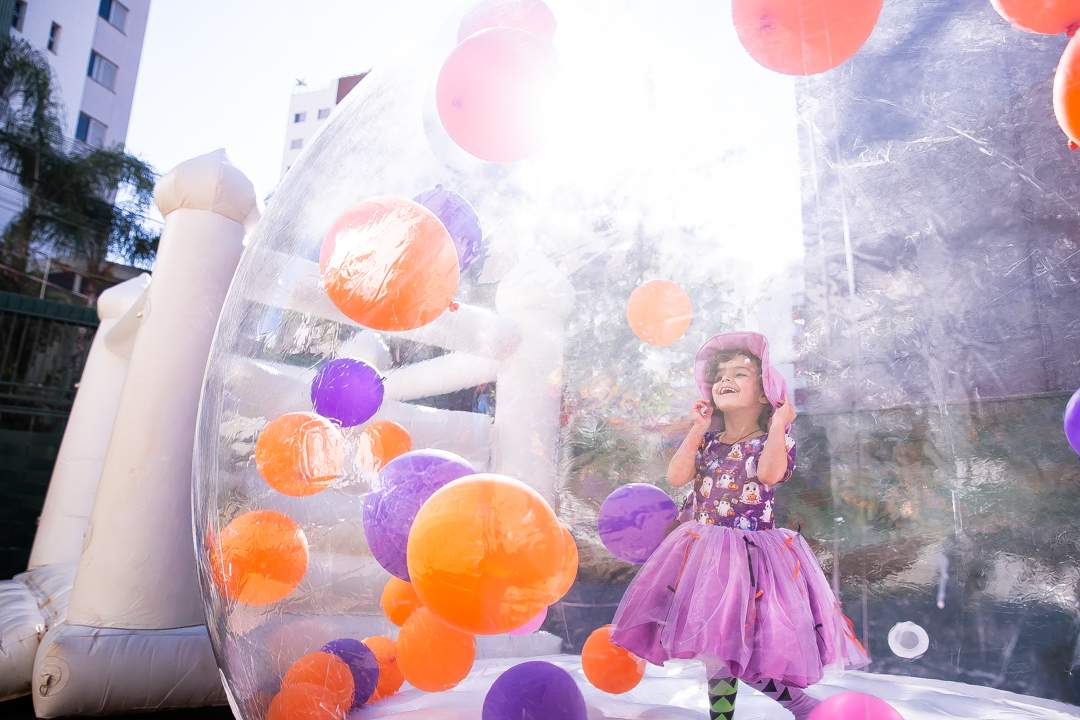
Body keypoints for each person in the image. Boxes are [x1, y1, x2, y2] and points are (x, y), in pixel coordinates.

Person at [610, 332, 869, 720]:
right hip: (705, 555)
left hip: (750, 559)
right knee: (717, 648)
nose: (723, 380)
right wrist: (697, 429)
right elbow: (677, 477)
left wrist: (780, 424)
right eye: (719, 375)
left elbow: (768, 474)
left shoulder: (773, 440)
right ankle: (726, 716)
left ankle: (796, 702)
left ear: (765, 393)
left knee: (736, 646)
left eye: (740, 373)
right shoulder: (708, 441)